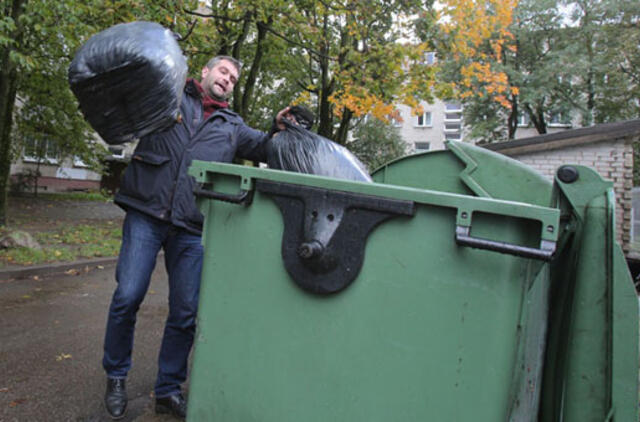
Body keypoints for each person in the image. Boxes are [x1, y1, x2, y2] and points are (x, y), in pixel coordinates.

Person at [102, 55, 292, 420]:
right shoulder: (167, 98)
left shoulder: (232, 125)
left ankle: (168, 389)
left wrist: (283, 128)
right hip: (146, 211)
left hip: (191, 224)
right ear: (204, 72)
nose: (229, 80)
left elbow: (267, 148)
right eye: (223, 71)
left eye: (234, 78)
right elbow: (127, 106)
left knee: (186, 312)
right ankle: (116, 375)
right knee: (127, 296)